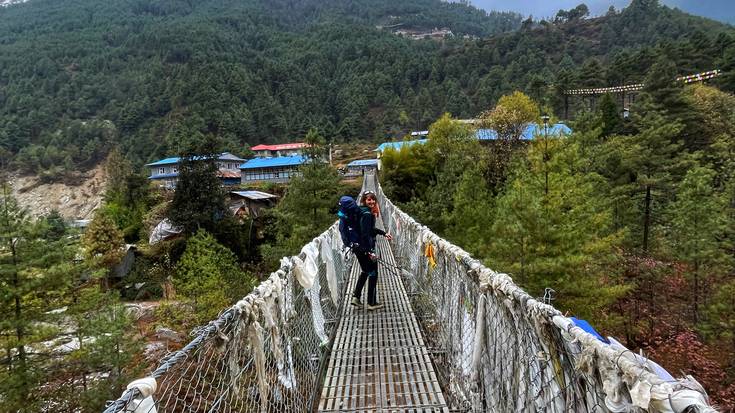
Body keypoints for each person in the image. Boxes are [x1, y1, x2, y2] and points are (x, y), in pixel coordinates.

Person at [337, 191, 392, 311]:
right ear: (363, 201)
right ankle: (371, 303)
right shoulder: (367, 214)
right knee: (373, 272)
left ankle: (356, 297)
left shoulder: (361, 211)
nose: (371, 202)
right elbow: (366, 233)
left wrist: (383, 233)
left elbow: (367, 229)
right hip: (364, 247)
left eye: (373, 199)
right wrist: (370, 251)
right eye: (369, 200)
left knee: (365, 271)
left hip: (356, 246)